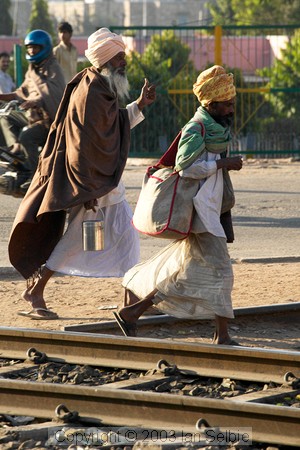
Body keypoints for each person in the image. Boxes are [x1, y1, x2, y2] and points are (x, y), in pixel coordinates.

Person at [8, 27, 156, 319]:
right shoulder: (89, 92)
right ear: (105, 60)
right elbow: (79, 146)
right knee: (77, 241)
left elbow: (111, 127)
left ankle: (131, 301)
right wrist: (86, 189)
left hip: (104, 182)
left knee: (127, 238)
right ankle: (36, 290)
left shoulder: (102, 87)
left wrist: (139, 105)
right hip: (91, 184)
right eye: (119, 57)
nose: (124, 62)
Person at [113, 65, 243, 345]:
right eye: (227, 104)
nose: (232, 108)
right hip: (200, 210)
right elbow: (186, 168)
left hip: (210, 208)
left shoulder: (217, 128)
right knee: (221, 270)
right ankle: (221, 336)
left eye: (233, 103)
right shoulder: (196, 128)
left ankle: (133, 307)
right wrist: (224, 163)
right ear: (211, 103)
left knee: (187, 269)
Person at [0, 29, 66, 195]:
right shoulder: (32, 70)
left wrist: (36, 101)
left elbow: (53, 95)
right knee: (5, 117)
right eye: (29, 48)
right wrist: (1, 96)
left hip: (49, 120)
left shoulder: (53, 68)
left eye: (35, 48)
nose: (31, 51)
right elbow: (19, 93)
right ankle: (16, 147)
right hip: (31, 116)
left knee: (27, 135)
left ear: (44, 47)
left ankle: (33, 173)